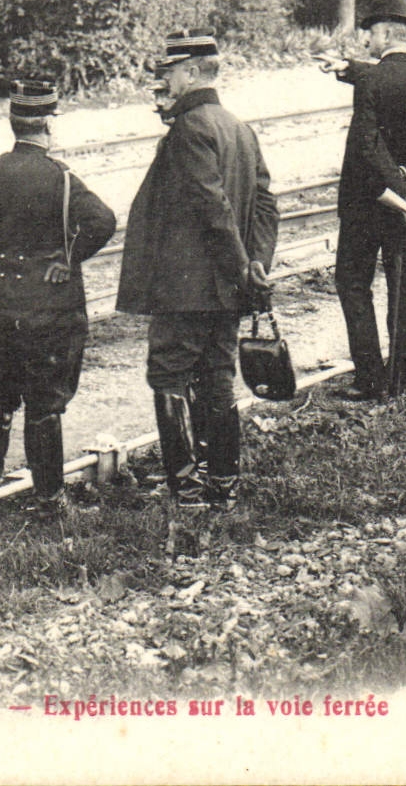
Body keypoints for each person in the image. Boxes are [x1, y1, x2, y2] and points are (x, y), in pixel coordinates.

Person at [116, 30, 279, 507]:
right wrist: (255, 266)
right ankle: (223, 484)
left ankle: (186, 487)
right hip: (229, 288)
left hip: (187, 287)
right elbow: (267, 204)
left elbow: (212, 208)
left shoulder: (189, 129)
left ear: (191, 73)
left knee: (168, 375)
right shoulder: (238, 127)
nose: (163, 83)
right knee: (216, 376)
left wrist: (240, 267)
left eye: (168, 73)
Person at [0, 80, 117, 509]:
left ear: (14, 125)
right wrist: (70, 257)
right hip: (48, 304)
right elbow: (103, 221)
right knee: (45, 402)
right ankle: (49, 497)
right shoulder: (62, 178)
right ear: (47, 125)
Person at [319, 0, 406, 400]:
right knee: (403, 287)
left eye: (370, 33)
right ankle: (400, 380)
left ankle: (369, 377)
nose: (368, 40)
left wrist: (387, 182)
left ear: (384, 33)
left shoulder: (372, 83)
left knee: (353, 283)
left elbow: (364, 142)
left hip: (365, 202)